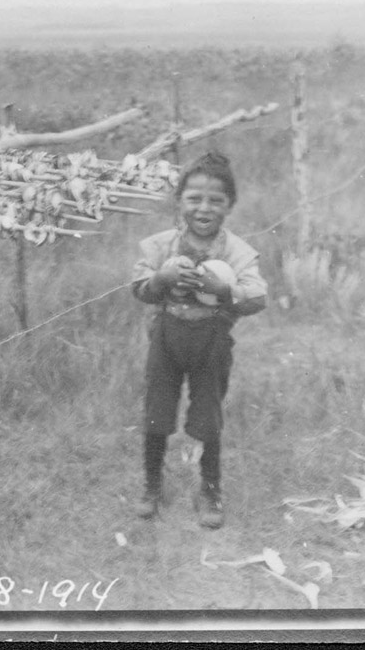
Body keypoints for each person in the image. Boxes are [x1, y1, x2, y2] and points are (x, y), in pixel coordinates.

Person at [131, 151, 267, 527]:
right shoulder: (160, 246)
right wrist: (162, 278)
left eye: (215, 200)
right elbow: (140, 288)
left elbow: (258, 295)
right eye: (194, 199)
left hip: (212, 342)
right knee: (157, 412)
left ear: (230, 205)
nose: (204, 209)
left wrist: (223, 290)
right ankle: (152, 485)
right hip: (167, 338)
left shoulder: (237, 251)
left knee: (208, 415)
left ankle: (210, 489)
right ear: (179, 202)